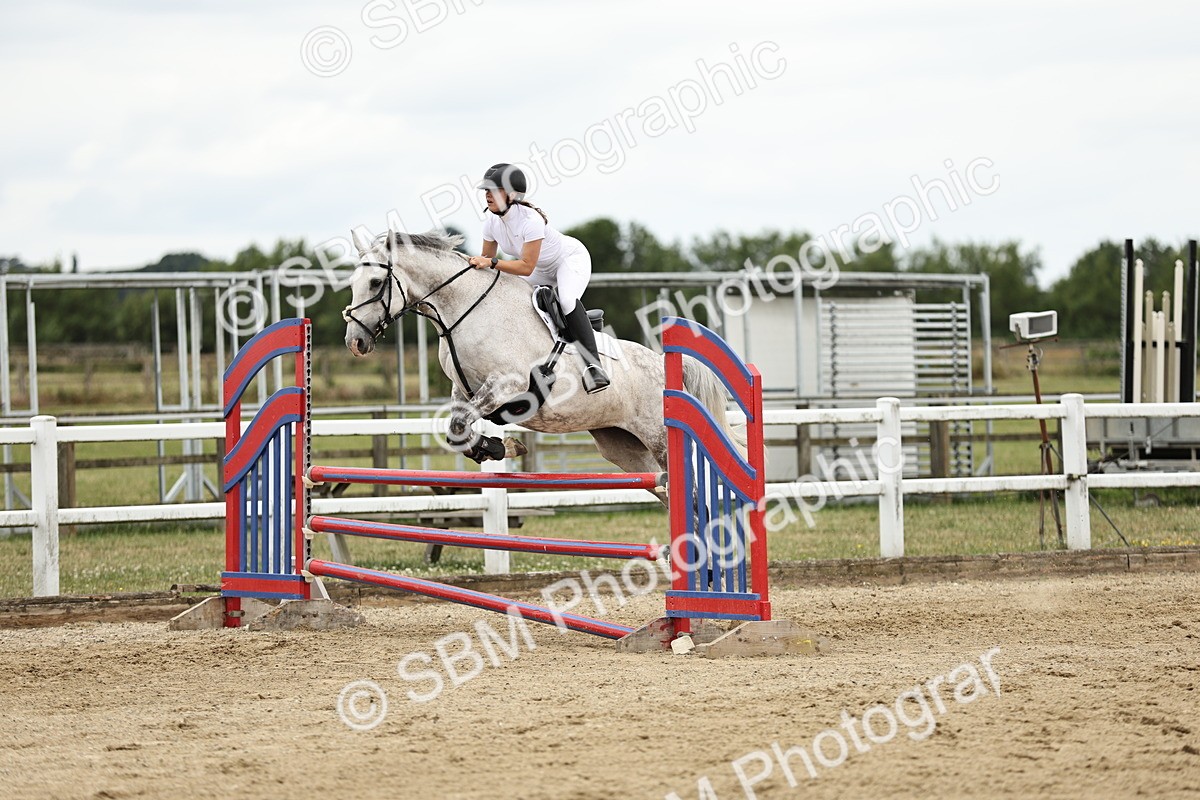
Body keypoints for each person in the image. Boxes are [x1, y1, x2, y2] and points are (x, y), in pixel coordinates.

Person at [467, 163, 610, 393]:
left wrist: (492, 262)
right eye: (486, 191)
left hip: (568, 259)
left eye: (493, 190)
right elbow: (487, 263)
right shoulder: (491, 223)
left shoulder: (530, 220)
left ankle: (593, 367)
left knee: (566, 300)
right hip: (540, 268)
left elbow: (524, 267)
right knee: (511, 298)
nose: (487, 195)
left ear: (512, 195)